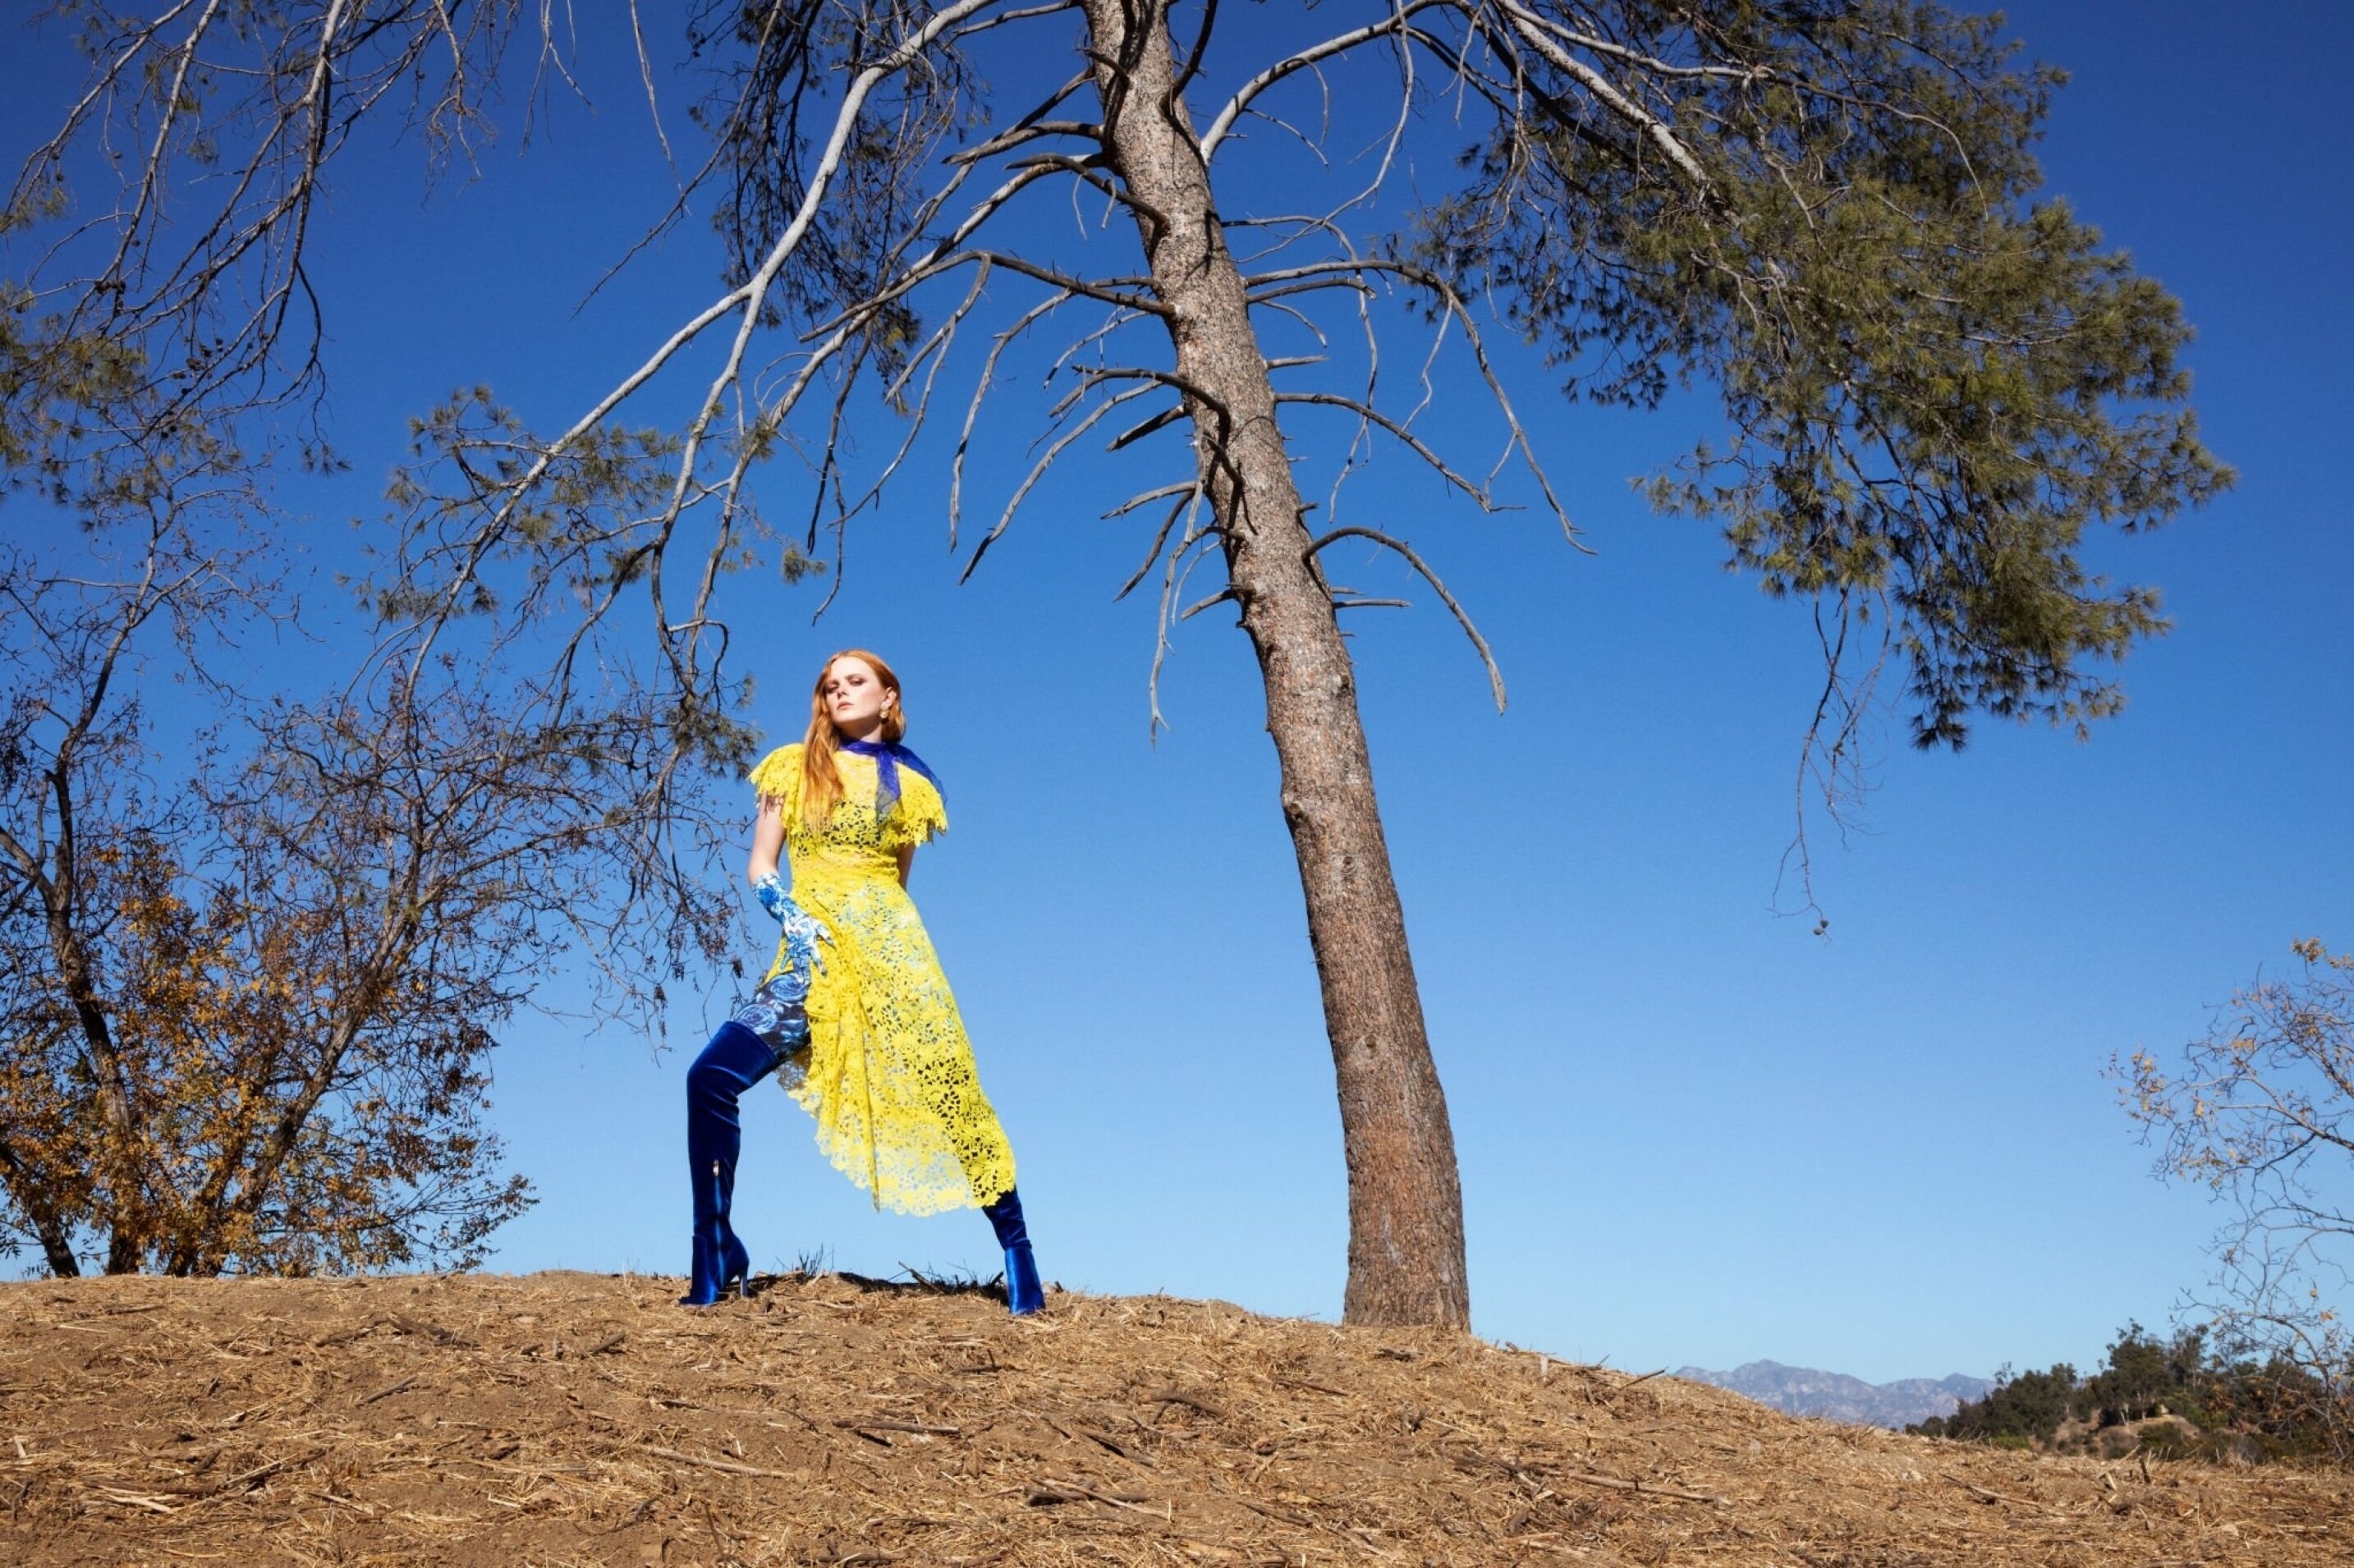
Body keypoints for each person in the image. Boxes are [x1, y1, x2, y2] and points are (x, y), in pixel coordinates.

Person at [678, 648, 1044, 1314]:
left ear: (887, 695)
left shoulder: (912, 786)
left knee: (954, 1095)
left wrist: (880, 950)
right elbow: (761, 864)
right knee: (709, 1078)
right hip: (811, 962)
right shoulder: (792, 766)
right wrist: (789, 913)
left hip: (894, 959)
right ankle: (715, 1246)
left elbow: (895, 883)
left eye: (855, 681)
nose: (840, 692)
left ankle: (1017, 1250)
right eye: (830, 686)